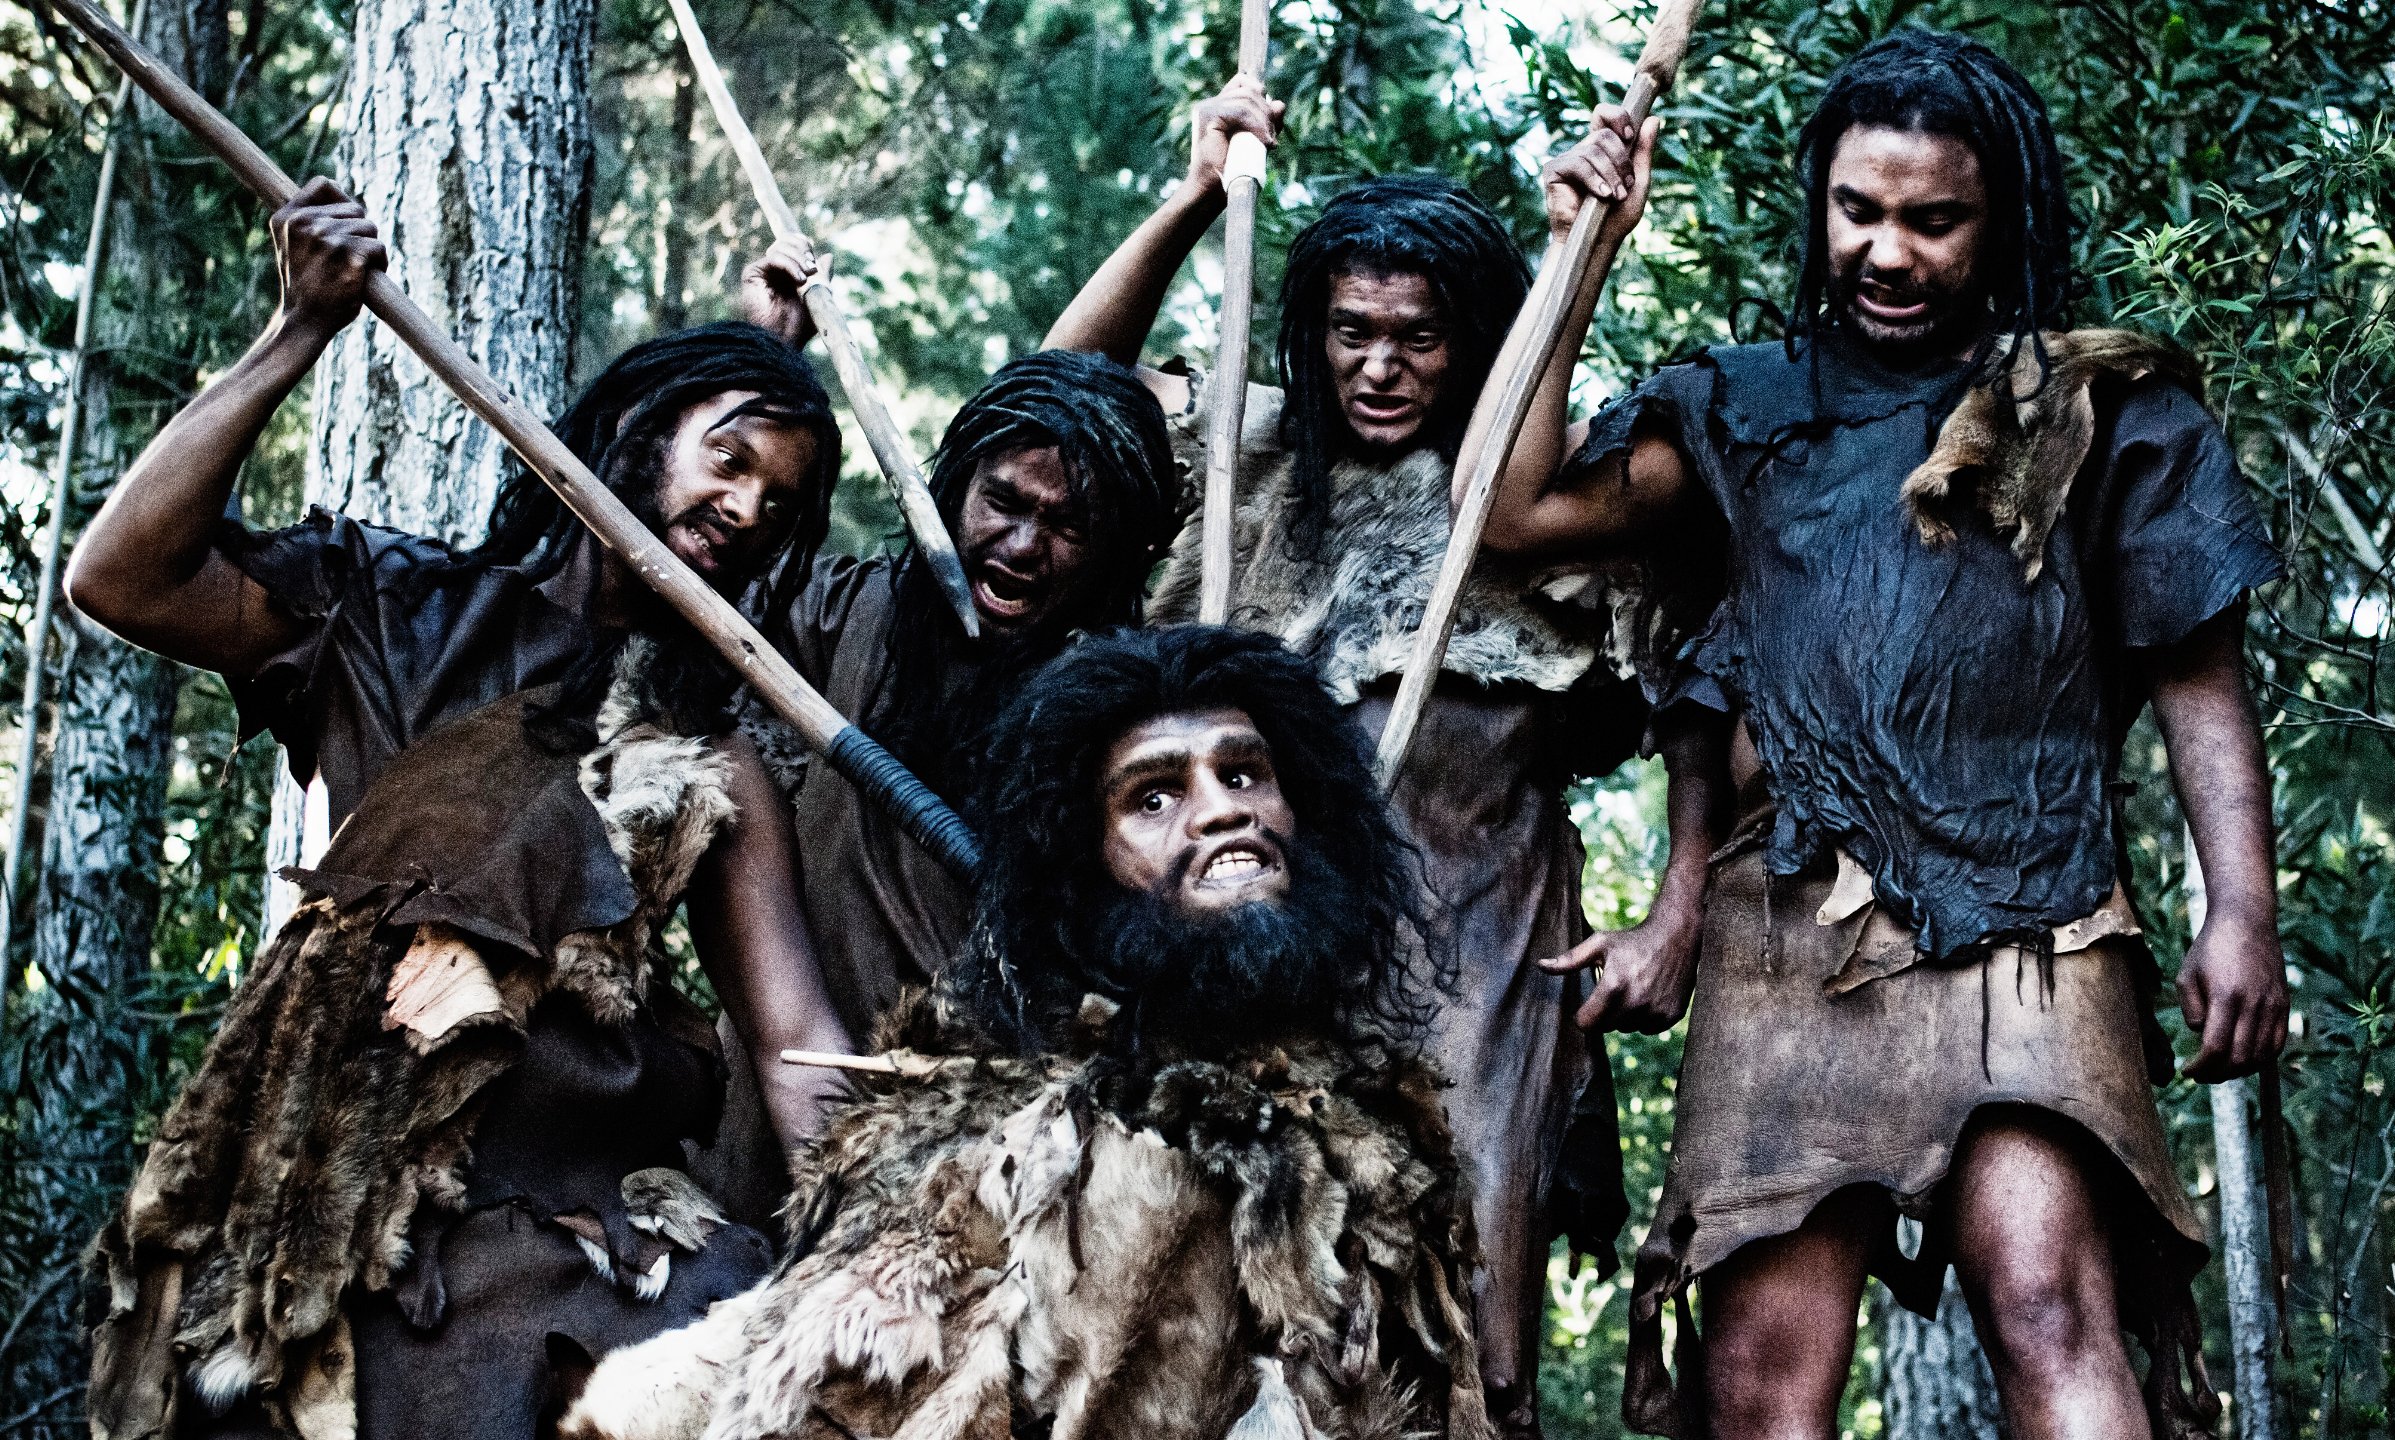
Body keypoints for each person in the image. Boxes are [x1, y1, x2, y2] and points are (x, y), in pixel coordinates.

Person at [1483, 28, 2290, 1440]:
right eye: (1858, 211)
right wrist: (1582, 254)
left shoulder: (2090, 407)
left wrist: (2244, 912)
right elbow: (1509, 511)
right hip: (1788, 927)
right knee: (1759, 1378)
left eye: (1934, 220)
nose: (1887, 252)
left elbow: (2198, 676)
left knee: (2048, 1305)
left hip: (2034, 911)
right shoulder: (1745, 409)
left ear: (2001, 222)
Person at [72, 181, 859, 1440]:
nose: (747, 510)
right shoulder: (393, 613)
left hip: (574, 1236)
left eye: (779, 503)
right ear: (635, 431)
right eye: (729, 463)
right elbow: (122, 578)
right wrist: (298, 329)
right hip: (336, 1206)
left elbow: (795, 1038)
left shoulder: (708, 753)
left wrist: (888, 1233)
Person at [1041, 82, 1648, 1433]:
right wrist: (1193, 198)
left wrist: (1584, 253)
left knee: (1466, 1325)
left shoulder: (1540, 488)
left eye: (1418, 340)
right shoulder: (1242, 448)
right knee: (1224, 1310)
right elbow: (1055, 398)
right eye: (1351, 334)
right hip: (1244, 943)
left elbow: (1716, 688)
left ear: (1470, 341)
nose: (1378, 369)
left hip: (1472, 953)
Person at [561, 625, 1491, 1440]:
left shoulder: (1386, 1141)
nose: (1221, 809)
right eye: (1154, 797)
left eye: (1243, 773)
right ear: (1090, 866)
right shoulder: (1015, 1151)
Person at [698, 249, 1185, 1213]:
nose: (1022, 545)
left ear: (1114, 555)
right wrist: (764, 353)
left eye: (1069, 526)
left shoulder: (1124, 719)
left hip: (986, 1158)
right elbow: (698, 565)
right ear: (955, 484)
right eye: (1003, 502)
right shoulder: (844, 611)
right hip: (768, 1106)